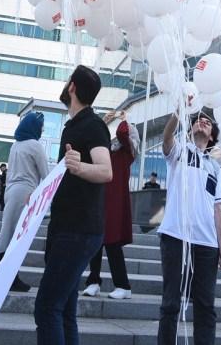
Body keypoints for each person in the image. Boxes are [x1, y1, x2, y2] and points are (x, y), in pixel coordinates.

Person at [34, 65, 112, 345]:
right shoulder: (76, 125)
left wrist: (79, 168)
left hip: (78, 231)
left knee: (47, 307)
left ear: (72, 88)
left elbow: (106, 171)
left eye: (68, 81)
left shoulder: (93, 125)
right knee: (64, 310)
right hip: (68, 228)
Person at [158, 109, 221, 345]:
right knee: (171, 303)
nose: (202, 123)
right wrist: (178, 115)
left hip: (207, 244)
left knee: (206, 306)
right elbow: (167, 139)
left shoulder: (215, 168)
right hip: (176, 236)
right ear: (190, 131)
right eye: (198, 121)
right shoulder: (180, 151)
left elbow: (217, 208)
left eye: (207, 122)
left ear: (211, 136)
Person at [0, 112, 49, 291]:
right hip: (25, 193)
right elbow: (45, 174)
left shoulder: (16, 145)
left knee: (9, 233)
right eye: (41, 126)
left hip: (10, 192)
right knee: (18, 238)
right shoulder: (35, 146)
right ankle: (5, 275)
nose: (42, 129)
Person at [83, 109, 139, 299]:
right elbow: (96, 141)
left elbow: (123, 134)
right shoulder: (108, 150)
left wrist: (124, 120)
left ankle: (123, 286)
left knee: (113, 244)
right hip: (99, 199)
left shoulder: (127, 152)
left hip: (116, 202)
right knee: (95, 243)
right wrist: (103, 122)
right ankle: (93, 282)